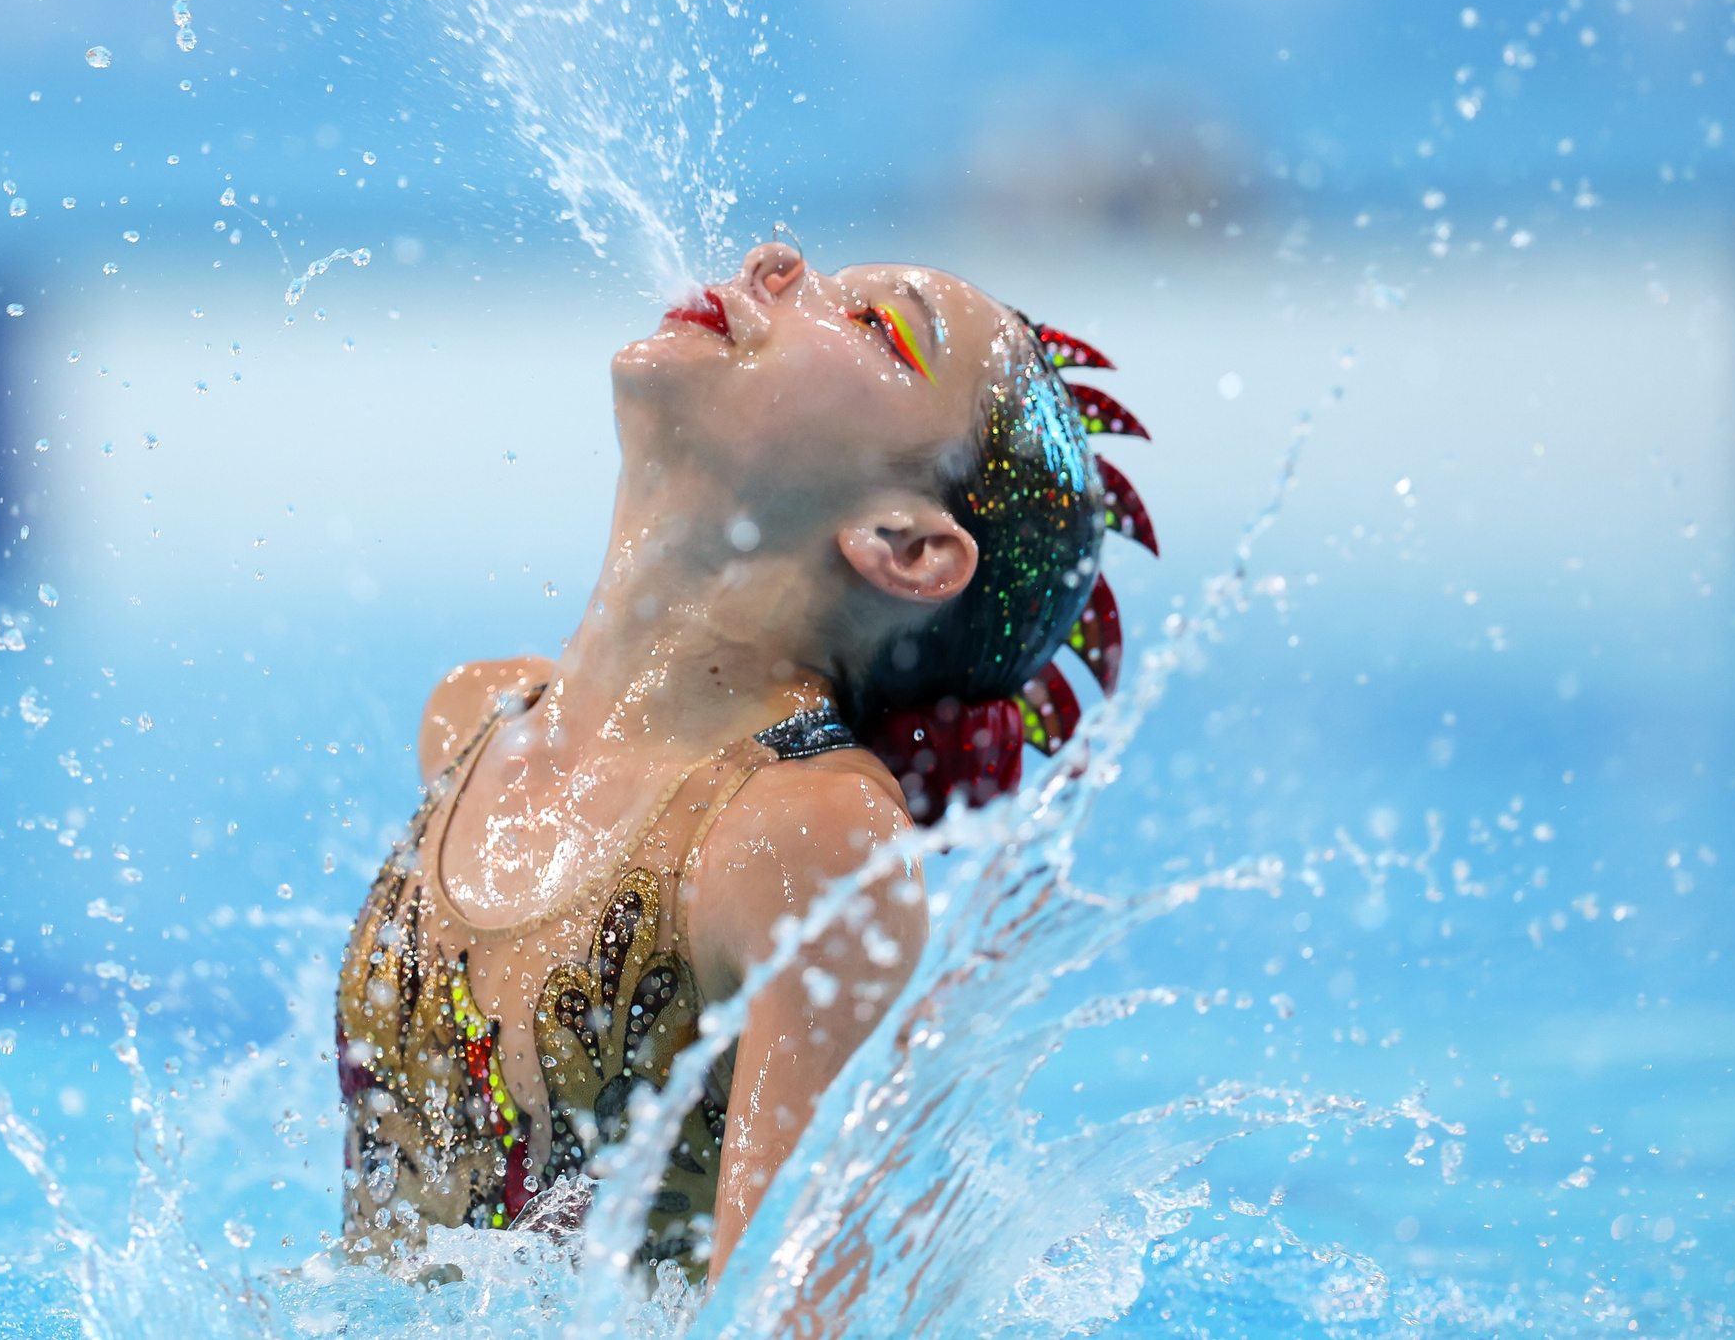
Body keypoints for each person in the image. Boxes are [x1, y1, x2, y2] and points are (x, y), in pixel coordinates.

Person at [333, 241, 1156, 1285]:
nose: (775, 261)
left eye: (878, 328)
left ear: (904, 544)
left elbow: (790, 1311)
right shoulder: (475, 725)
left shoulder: (803, 843)